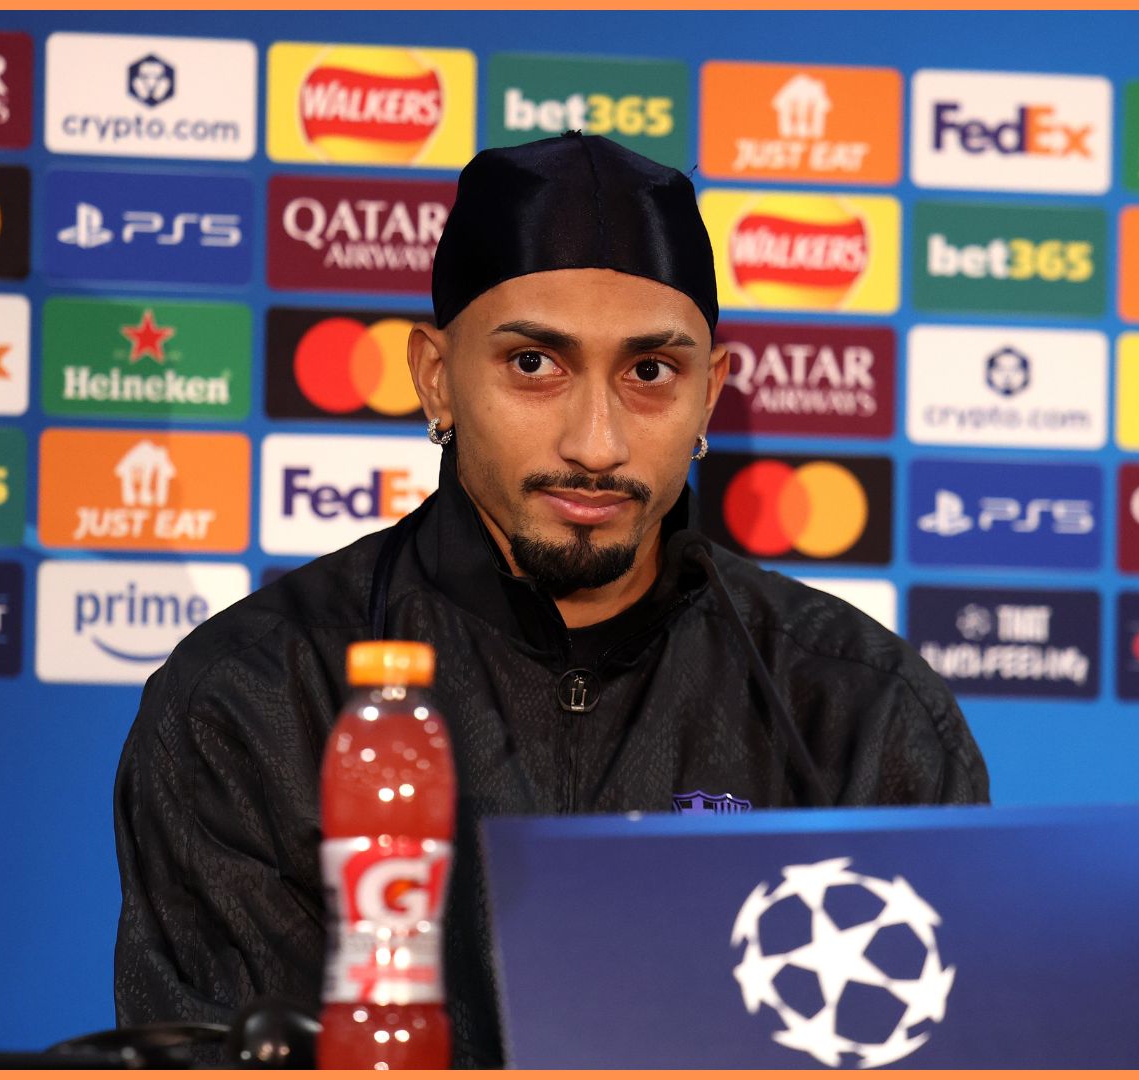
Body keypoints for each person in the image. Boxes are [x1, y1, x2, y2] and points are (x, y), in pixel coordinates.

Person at [112, 132, 991, 1068]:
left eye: (650, 373)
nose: (597, 442)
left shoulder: (856, 707)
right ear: (437, 377)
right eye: (536, 365)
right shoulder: (251, 698)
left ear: (709, 394)